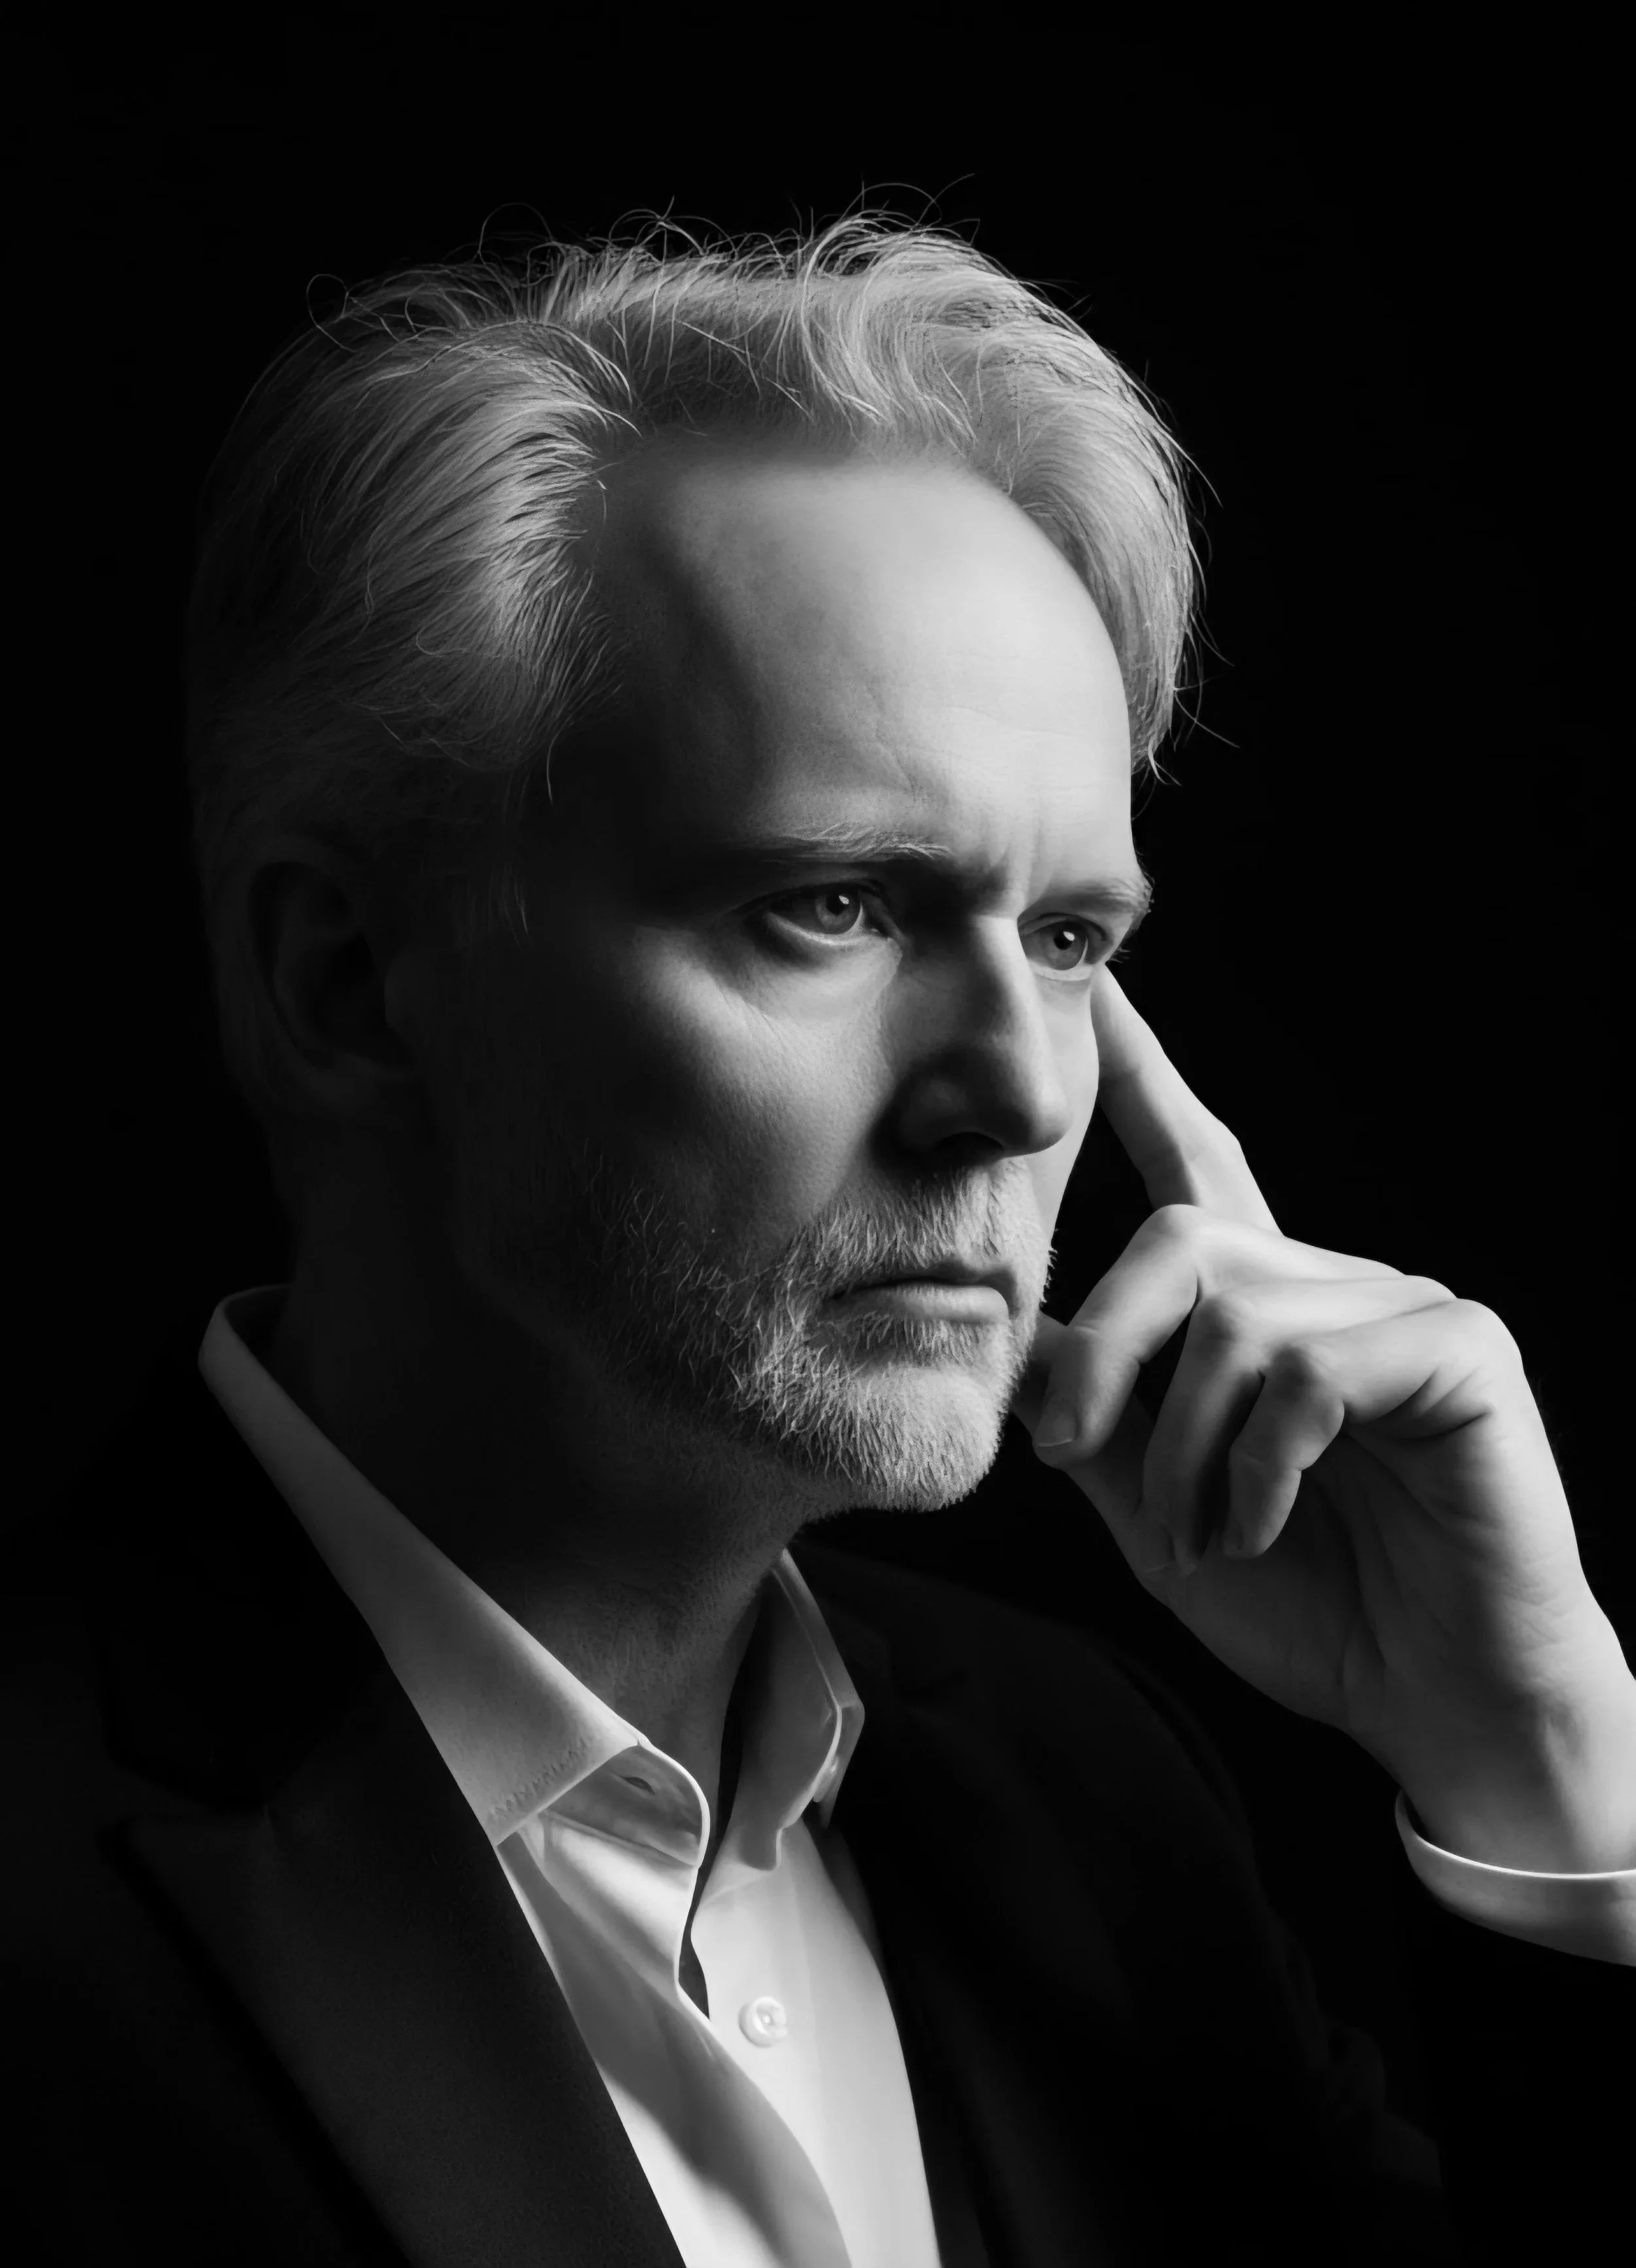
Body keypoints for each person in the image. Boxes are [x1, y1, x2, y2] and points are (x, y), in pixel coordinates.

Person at [8, 214, 1631, 2268]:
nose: (1020, 1097)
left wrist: (1548, 1773)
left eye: (1064, 939)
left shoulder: (1083, 1814)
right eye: (835, 907)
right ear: (346, 980)